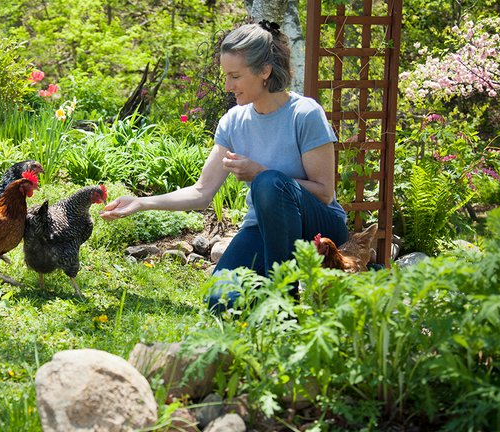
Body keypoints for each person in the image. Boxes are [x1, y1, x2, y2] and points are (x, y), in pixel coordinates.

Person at [99, 21, 349, 312]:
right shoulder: (234, 121)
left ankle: (283, 305)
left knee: (268, 184)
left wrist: (260, 173)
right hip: (263, 228)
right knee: (219, 301)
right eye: (226, 76)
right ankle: (265, 297)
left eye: (235, 76)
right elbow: (201, 192)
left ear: (265, 71)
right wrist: (141, 203)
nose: (228, 86)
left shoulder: (305, 114)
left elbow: (323, 192)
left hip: (320, 226)